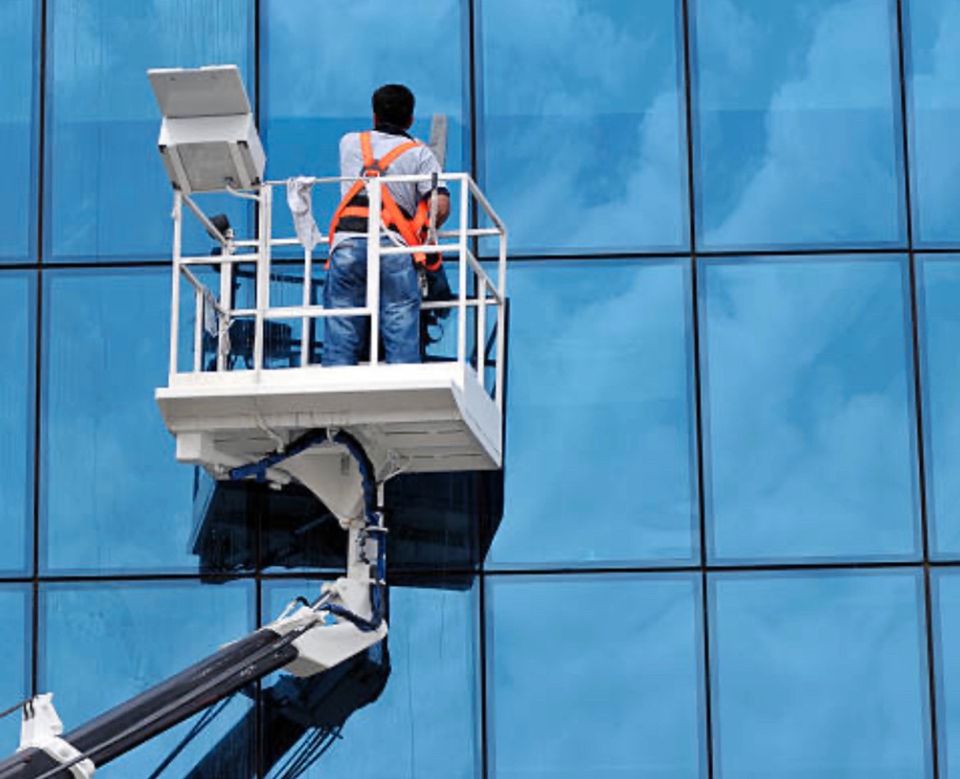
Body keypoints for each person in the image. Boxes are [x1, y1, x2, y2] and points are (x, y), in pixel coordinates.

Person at [323, 84, 450, 366]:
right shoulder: (419, 154)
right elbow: (439, 207)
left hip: (347, 244)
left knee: (342, 319)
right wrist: (425, 230)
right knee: (399, 316)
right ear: (410, 119)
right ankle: (405, 378)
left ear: (374, 115)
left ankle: (336, 376)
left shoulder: (349, 143)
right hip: (392, 246)